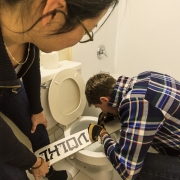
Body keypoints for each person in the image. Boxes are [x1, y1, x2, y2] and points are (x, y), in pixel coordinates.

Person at [0, 0, 119, 180]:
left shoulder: (27, 30)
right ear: (54, 13)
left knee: (39, 129)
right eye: (89, 30)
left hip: (9, 89)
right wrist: (34, 163)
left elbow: (31, 65)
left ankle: (51, 173)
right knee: (15, 176)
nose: (82, 39)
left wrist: (37, 109)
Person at [86, 71, 180, 180]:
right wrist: (116, 113)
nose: (102, 111)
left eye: (99, 107)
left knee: (133, 166)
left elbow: (127, 170)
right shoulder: (144, 77)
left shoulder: (136, 104)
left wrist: (102, 135)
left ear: (104, 100)